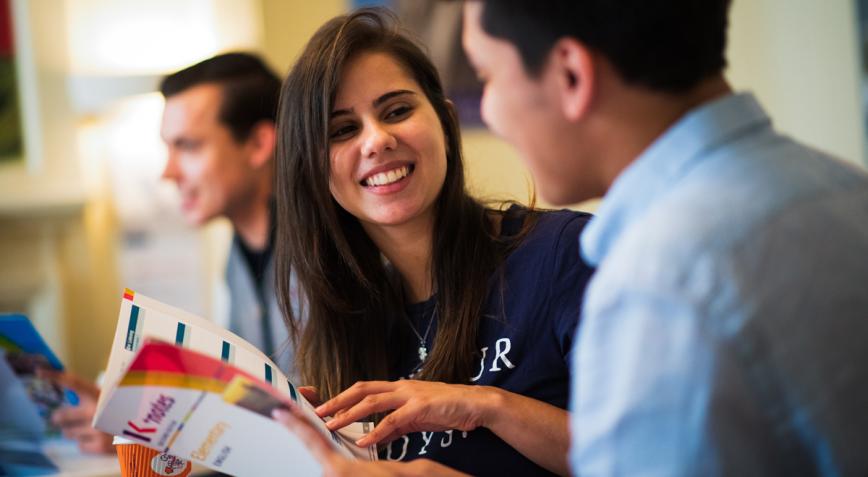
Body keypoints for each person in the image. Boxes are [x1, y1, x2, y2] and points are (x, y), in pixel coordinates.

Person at [457, 1, 868, 476]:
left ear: (571, 74)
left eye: (487, 76)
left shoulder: (659, 283)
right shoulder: (843, 187)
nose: (489, 113)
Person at [271, 9, 594, 477]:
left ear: (445, 122)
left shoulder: (565, 254)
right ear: (311, 171)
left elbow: (654, 458)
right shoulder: (350, 320)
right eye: (343, 130)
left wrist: (487, 405)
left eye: (397, 111)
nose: (377, 140)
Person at [50, 52, 299, 455]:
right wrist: (131, 418)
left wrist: (141, 425)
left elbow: (306, 426)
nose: (168, 172)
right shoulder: (238, 256)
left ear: (258, 144)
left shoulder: (324, 255)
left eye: (188, 146)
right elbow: (253, 404)